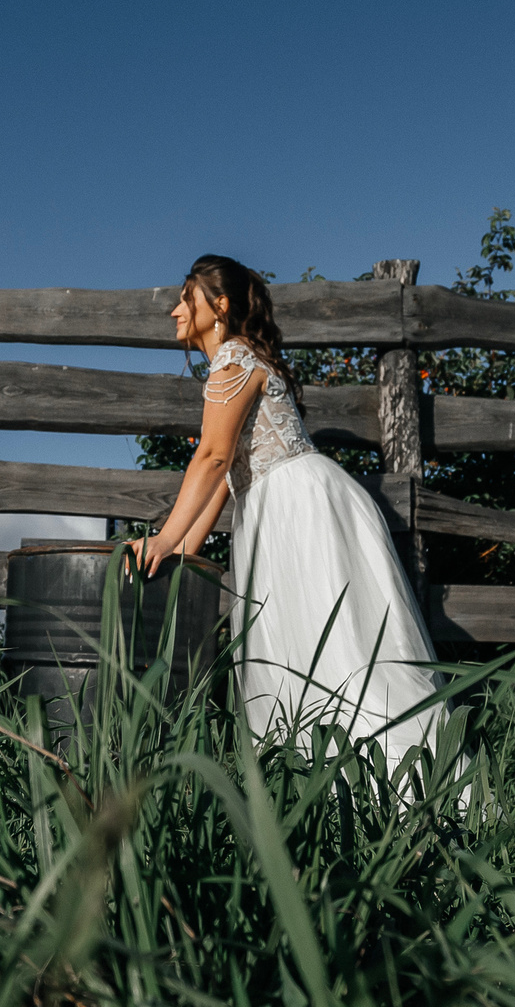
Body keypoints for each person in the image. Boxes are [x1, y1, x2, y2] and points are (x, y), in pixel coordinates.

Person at [129, 255, 445, 774]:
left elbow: (211, 457)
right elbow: (226, 476)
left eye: (185, 298)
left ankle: (390, 776)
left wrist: (163, 539)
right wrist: (183, 548)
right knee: (308, 649)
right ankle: (335, 780)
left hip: (298, 510)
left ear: (219, 305)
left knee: (337, 647)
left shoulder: (234, 359)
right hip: (280, 505)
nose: (174, 311)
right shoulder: (239, 359)